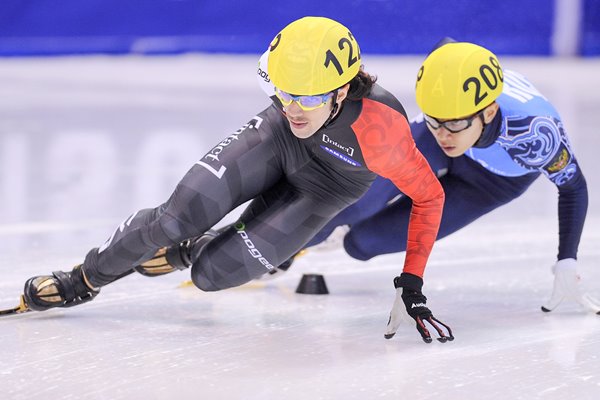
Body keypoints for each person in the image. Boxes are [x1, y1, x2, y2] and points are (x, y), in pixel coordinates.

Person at [20, 17, 452, 343]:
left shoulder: (384, 135)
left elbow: (430, 198)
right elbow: (291, 102)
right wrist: (288, 103)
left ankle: (192, 251)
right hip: (278, 142)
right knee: (176, 218)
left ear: (342, 91)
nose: (294, 107)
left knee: (212, 276)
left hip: (329, 187)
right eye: (284, 93)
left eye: (309, 98)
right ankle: (83, 279)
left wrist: (411, 281)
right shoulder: (283, 84)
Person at [298, 39, 600, 320]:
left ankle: (334, 238)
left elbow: (573, 187)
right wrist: (442, 122)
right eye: (435, 119)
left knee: (362, 244)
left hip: (490, 184)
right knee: (355, 201)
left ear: (490, 112)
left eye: (453, 123)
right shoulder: (443, 126)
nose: (445, 135)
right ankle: (280, 246)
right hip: (432, 142)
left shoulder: (536, 135)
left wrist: (567, 261)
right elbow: (447, 49)